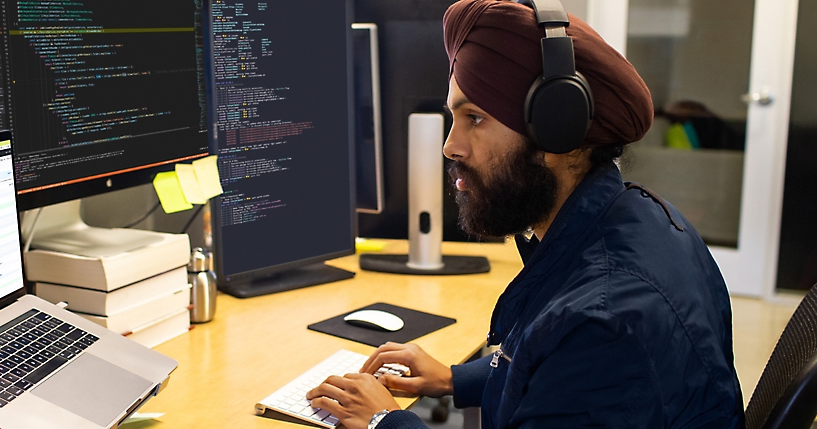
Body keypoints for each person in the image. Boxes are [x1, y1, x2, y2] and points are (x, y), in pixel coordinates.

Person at [305, 1, 745, 428]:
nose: (450, 145)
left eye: (474, 118)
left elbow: (577, 362)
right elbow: (551, 373)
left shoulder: (603, 322)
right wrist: (454, 378)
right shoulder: (639, 218)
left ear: (558, 131)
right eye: (452, 117)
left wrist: (385, 422)